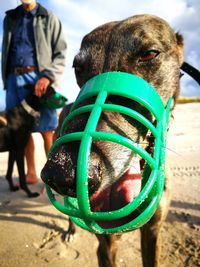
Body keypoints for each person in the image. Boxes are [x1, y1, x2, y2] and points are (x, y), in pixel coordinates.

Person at [1, 0, 67, 184]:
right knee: (21, 130)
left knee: (47, 129)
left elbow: (61, 52)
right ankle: (31, 173)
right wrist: (6, 79)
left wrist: (48, 77)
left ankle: (55, 177)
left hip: (40, 78)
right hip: (14, 80)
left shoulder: (49, 17)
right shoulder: (10, 18)